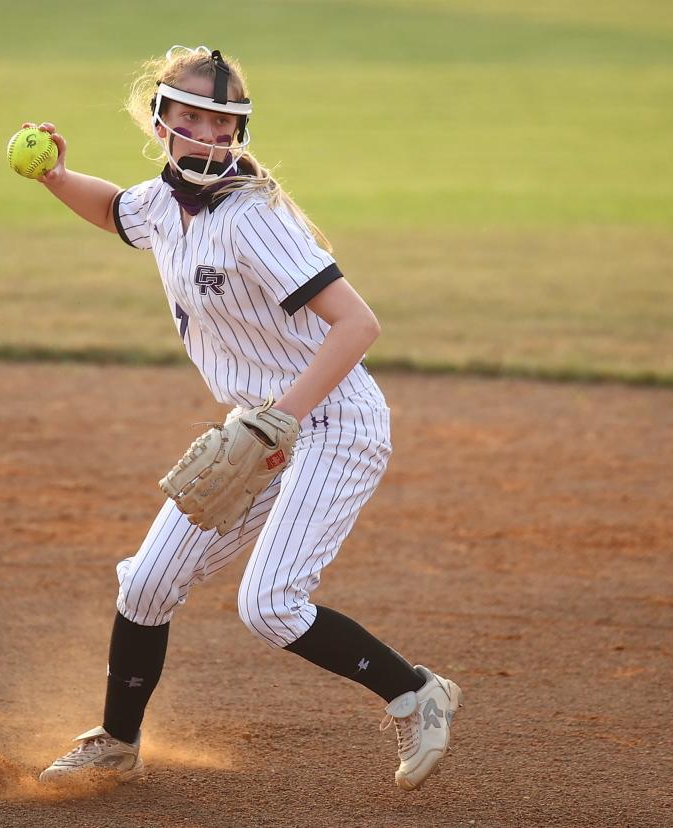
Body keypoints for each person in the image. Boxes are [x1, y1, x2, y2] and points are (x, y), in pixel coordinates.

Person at [25, 45, 460, 792]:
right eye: (189, 116)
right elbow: (113, 210)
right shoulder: (164, 203)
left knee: (270, 605)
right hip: (258, 428)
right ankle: (117, 741)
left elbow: (357, 325)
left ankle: (416, 692)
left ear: (238, 132)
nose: (205, 133)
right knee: (147, 584)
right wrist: (56, 177)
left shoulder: (254, 217)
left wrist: (282, 421)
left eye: (219, 122)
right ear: (161, 121)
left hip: (332, 424)